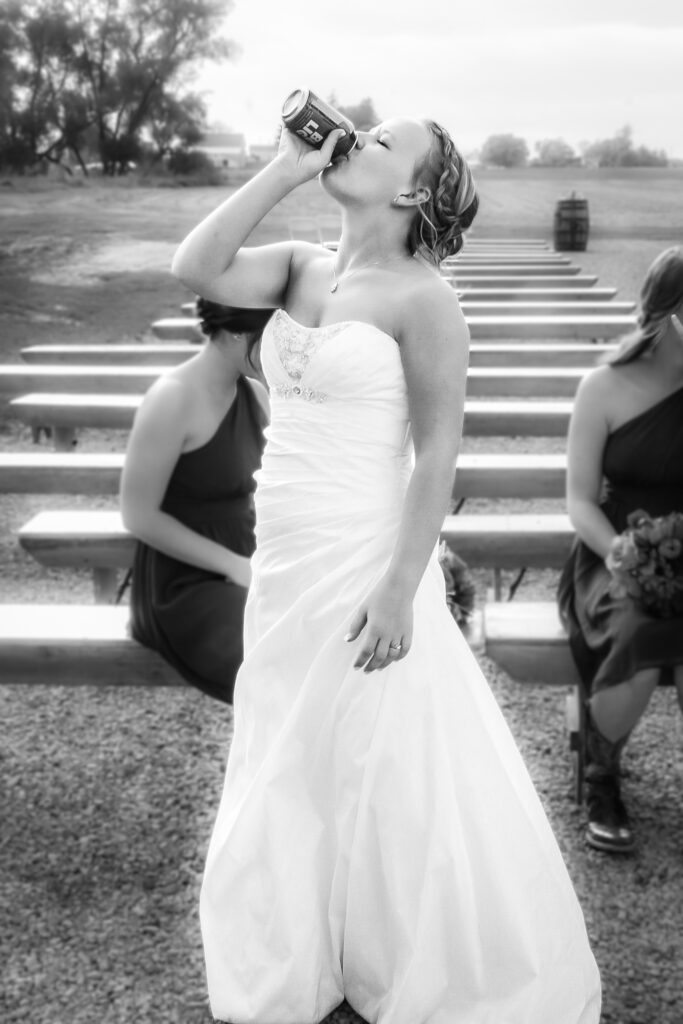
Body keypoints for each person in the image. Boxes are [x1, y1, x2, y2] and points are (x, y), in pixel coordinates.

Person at [172, 114, 601, 1023]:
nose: (353, 138)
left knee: (380, 752)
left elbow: (438, 456)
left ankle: (399, 950)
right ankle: (302, 949)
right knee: (288, 741)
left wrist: (401, 588)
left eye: (380, 142)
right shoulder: (297, 264)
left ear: (412, 190)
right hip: (285, 555)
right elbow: (194, 268)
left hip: (365, 554)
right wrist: (284, 170)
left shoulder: (426, 299)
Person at [559, 247, 683, 854]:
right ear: (671, 311)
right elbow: (580, 502)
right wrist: (626, 559)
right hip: (611, 556)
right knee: (637, 629)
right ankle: (602, 776)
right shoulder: (603, 387)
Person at [120, 300, 272, 705]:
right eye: (276, 335)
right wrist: (234, 566)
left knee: (328, 638)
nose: (284, 351)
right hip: (182, 584)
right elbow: (137, 515)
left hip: (247, 560)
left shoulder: (256, 393)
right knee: (277, 660)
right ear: (240, 332)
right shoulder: (172, 397)